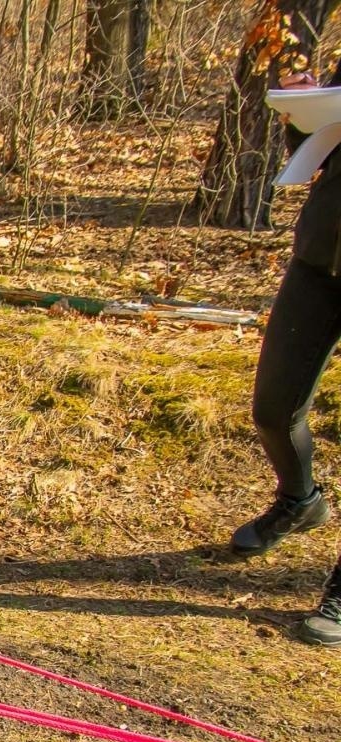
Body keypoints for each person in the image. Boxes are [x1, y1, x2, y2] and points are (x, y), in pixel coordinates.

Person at [232, 67, 341, 647]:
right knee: (275, 407)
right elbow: (317, 147)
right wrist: (301, 113)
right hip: (321, 255)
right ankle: (300, 500)